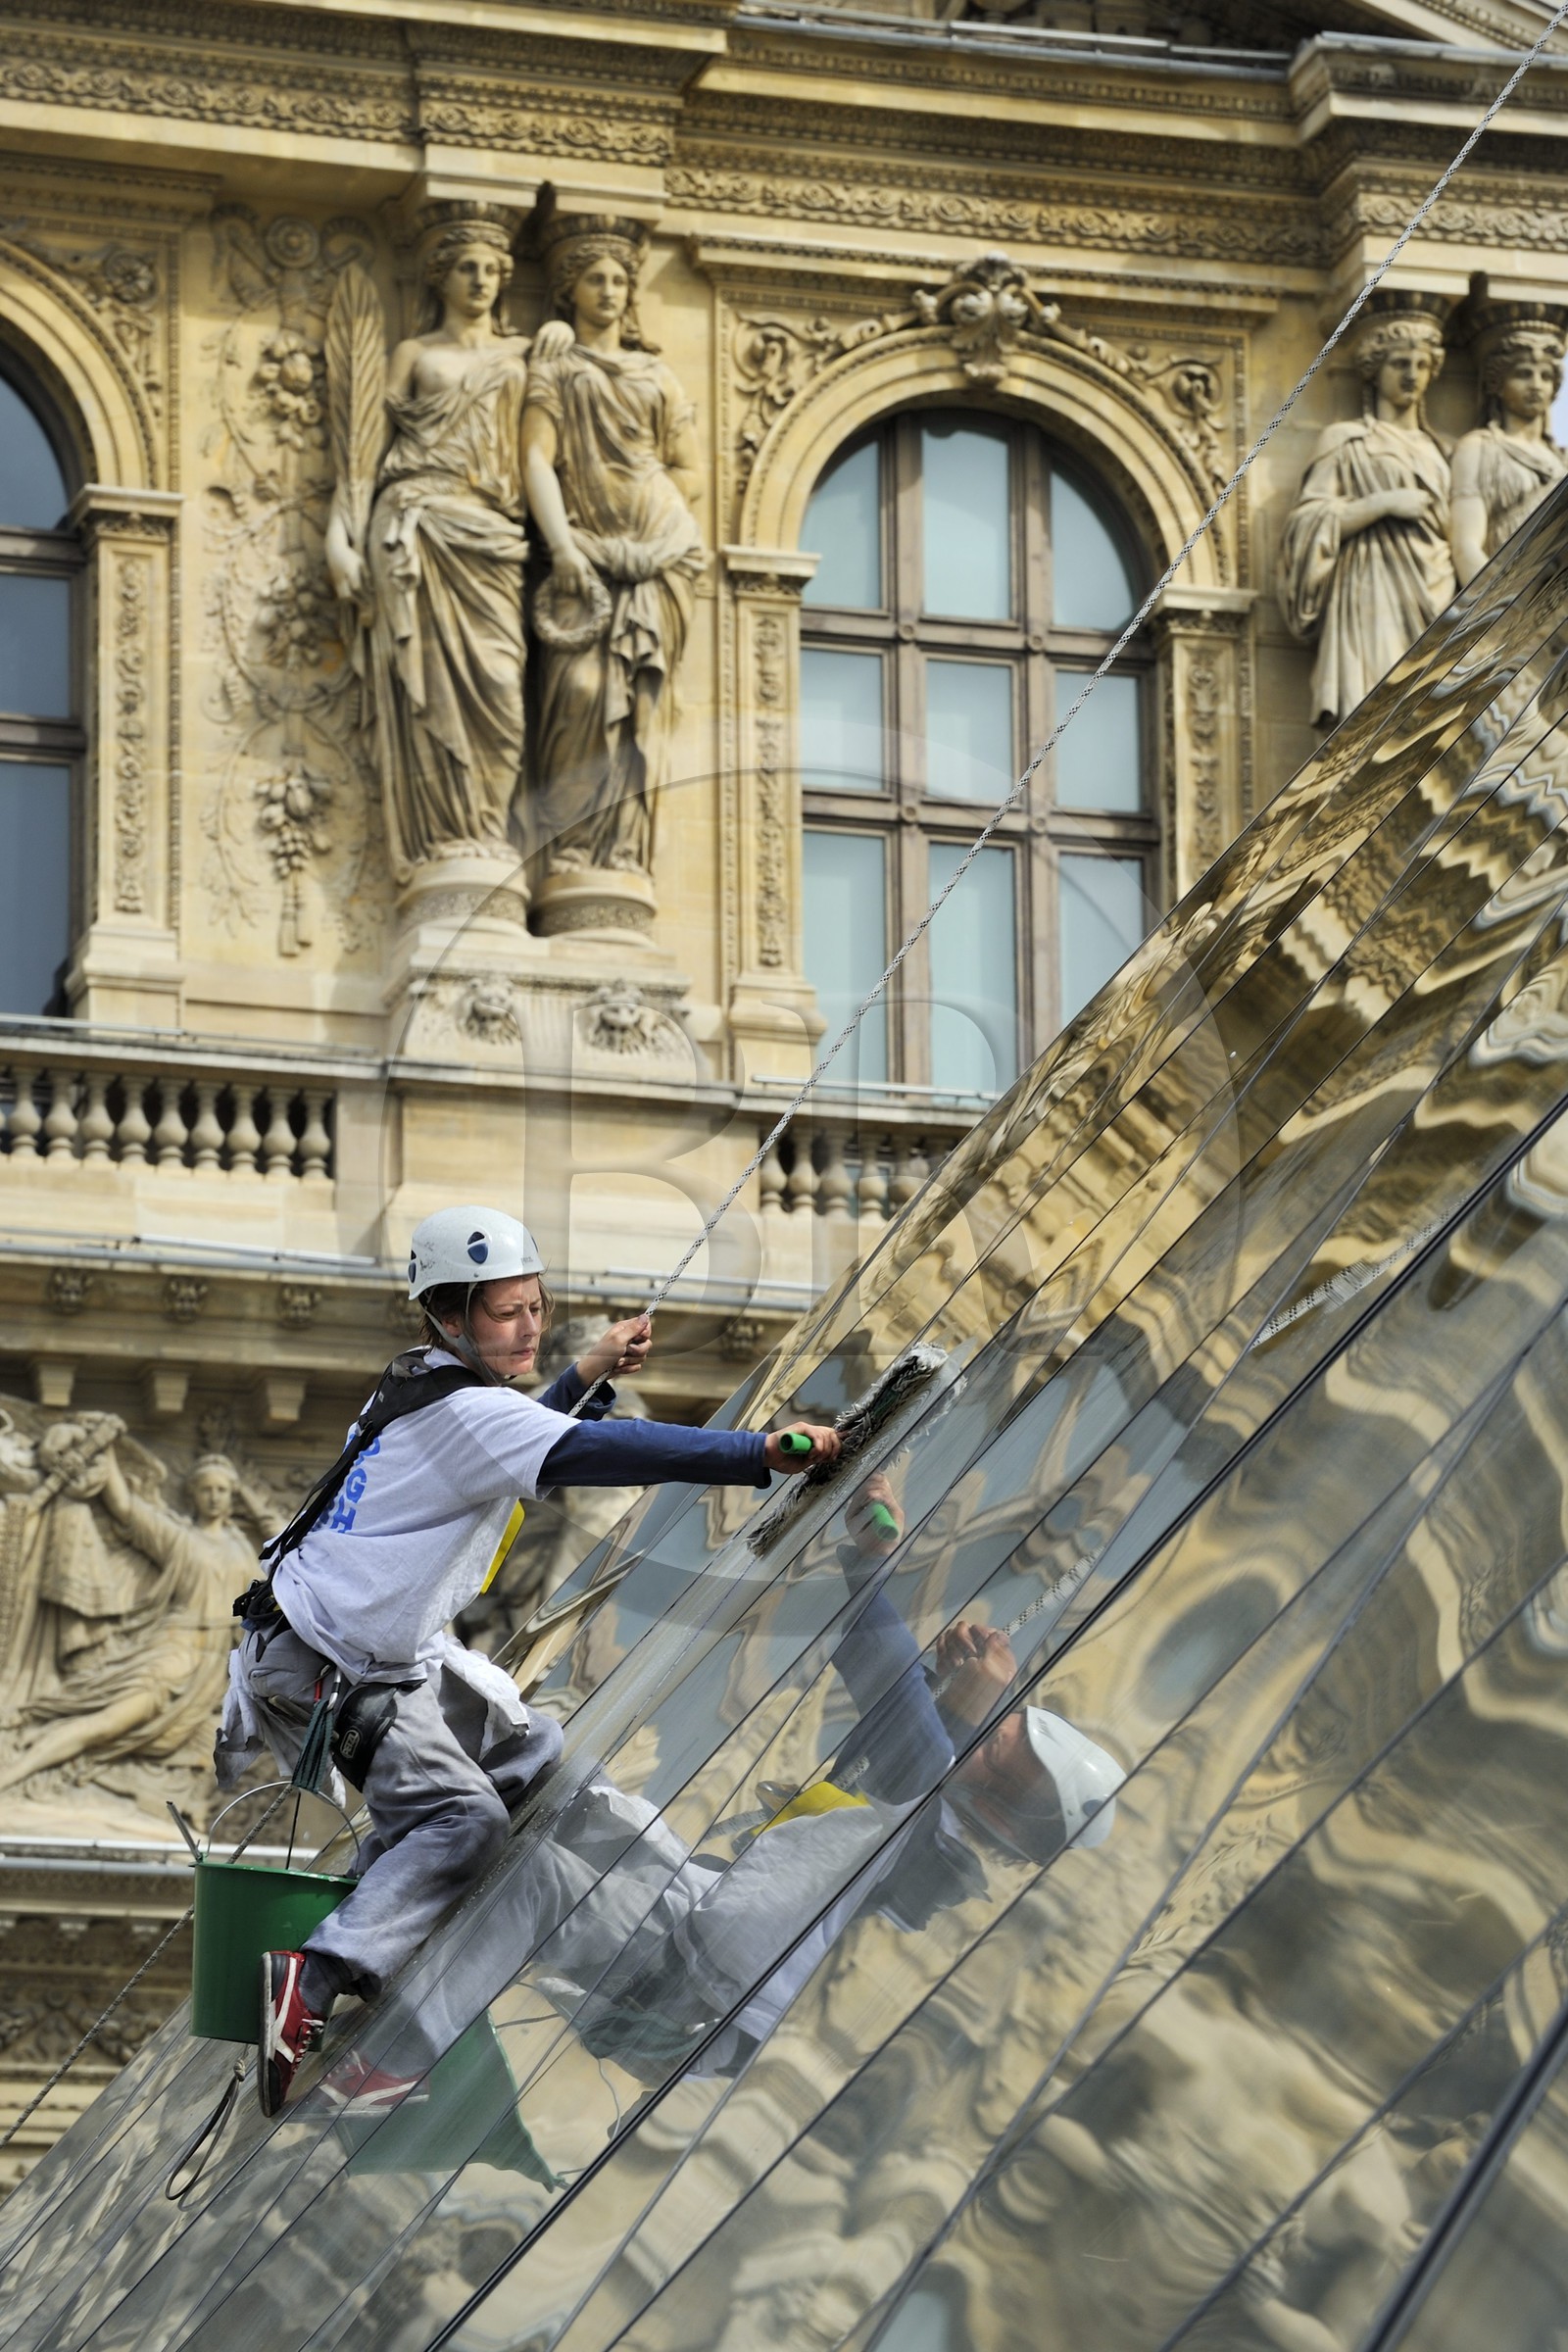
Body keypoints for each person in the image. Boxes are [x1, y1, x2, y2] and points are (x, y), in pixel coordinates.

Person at [220, 1202, 838, 2117]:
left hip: (354, 1651)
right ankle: (311, 1982)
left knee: (533, 1762)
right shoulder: (467, 1411)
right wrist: (757, 1451)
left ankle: (441, 1916)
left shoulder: (418, 1384)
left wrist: (581, 1373)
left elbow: (506, 1446)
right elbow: (591, 1450)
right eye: (507, 1313)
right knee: (464, 1823)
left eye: (537, 1307)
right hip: (330, 1668)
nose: (529, 1327)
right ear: (450, 1314)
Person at [361, 1474, 1124, 2103]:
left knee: (537, 1880)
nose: (984, 1739)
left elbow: (906, 1733)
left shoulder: (930, 1838)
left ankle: (392, 2063)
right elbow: (898, 1725)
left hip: (692, 1990)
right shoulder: (929, 1816)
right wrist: (946, 1686)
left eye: (998, 1750)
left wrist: (875, 1565)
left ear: (1013, 1812)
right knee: (565, 1784)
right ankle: (384, 1892)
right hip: (696, 1928)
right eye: (995, 1732)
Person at [1277, 303, 1455, 726]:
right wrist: (1383, 504)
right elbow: (1307, 523)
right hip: (1371, 587)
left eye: (1421, 364)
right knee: (1374, 712)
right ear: (1375, 369)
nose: (1411, 374)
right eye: (1399, 363)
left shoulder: (1446, 451)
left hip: (1437, 589)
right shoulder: (1346, 439)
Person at [1450, 318, 1568, 586]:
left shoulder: (1562, 461)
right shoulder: (1479, 447)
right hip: (1507, 592)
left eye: (1546, 376)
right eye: (1524, 374)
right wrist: (1490, 613)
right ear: (1497, 384)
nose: (1536, 385)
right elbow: (1465, 544)